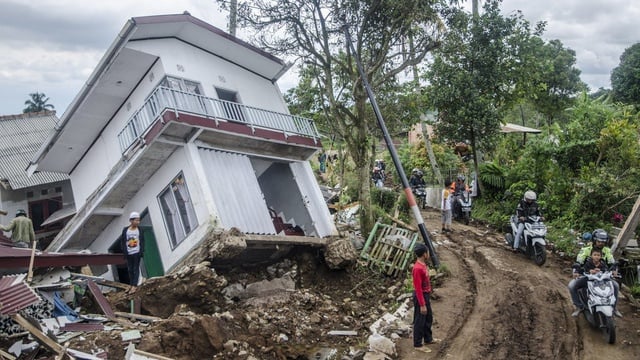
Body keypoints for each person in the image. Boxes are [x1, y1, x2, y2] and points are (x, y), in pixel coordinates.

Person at [569, 228, 621, 317]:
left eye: (603, 242)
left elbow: (612, 262)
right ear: (594, 240)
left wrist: (614, 270)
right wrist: (576, 271)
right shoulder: (586, 250)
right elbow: (578, 261)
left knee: (615, 286)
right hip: (588, 276)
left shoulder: (607, 251)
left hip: (603, 277)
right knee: (572, 286)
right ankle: (579, 306)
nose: (601, 243)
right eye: (599, 241)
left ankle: (614, 308)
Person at [412, 243, 438, 352]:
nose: (429, 254)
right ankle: (417, 344)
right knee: (420, 320)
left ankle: (428, 338)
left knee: (428, 318)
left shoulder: (423, 265)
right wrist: (422, 304)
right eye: (427, 252)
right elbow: (418, 288)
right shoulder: (417, 268)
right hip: (420, 296)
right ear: (424, 254)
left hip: (425, 295)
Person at [119, 211, 145, 292]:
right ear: (131, 220)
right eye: (136, 220)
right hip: (129, 252)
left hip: (136, 252)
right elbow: (123, 241)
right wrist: (124, 251)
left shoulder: (139, 230)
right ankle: (131, 284)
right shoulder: (126, 230)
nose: (138, 222)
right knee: (130, 269)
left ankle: (134, 285)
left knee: (135, 268)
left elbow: (142, 241)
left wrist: (141, 251)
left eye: (138, 220)